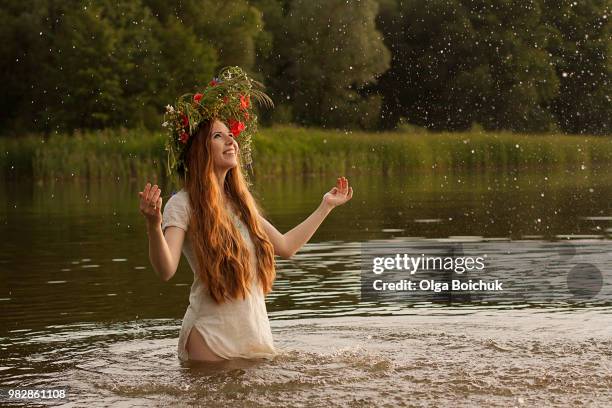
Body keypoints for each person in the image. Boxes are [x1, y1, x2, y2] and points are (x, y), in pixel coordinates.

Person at [137, 67, 353, 363]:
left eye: (231, 135)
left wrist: (325, 205)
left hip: (251, 335)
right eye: (218, 136)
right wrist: (153, 224)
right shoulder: (182, 203)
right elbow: (166, 269)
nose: (231, 141)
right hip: (209, 339)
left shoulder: (240, 204)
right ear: (200, 151)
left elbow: (287, 247)